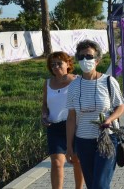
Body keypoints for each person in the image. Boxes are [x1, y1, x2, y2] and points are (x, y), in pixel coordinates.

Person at [66, 39, 124, 189]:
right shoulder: (73, 86)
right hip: (83, 141)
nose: (84, 60)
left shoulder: (108, 82)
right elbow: (71, 118)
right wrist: (69, 147)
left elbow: (121, 107)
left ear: (97, 60)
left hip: (106, 138)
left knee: (99, 185)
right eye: (81, 57)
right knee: (93, 185)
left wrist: (110, 119)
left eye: (88, 56)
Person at [42, 51, 84, 189]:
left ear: (68, 64)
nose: (56, 67)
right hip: (54, 127)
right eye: (52, 64)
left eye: (59, 63)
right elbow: (44, 105)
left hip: (74, 126)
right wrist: (44, 115)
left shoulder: (77, 80)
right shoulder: (47, 83)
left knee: (77, 160)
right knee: (57, 162)